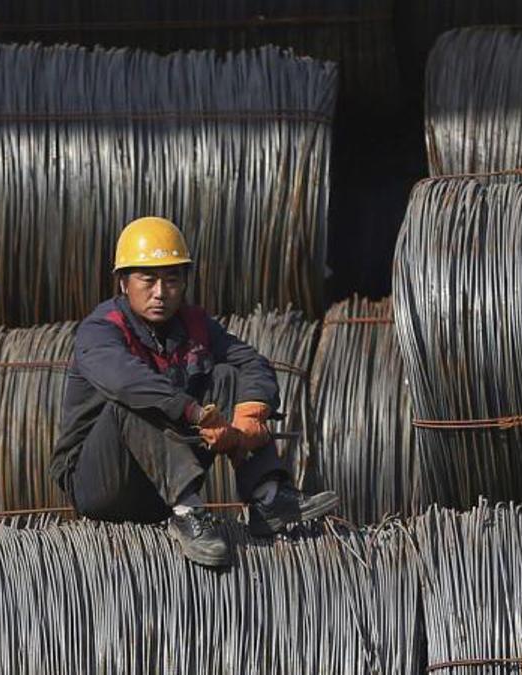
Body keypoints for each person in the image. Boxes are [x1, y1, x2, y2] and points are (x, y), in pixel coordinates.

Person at [49, 216, 338, 567]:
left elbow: (252, 363)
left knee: (228, 377)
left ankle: (267, 496)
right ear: (123, 282)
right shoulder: (101, 330)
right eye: (148, 279)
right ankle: (189, 513)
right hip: (104, 484)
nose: (160, 292)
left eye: (172, 279)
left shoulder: (196, 325)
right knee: (134, 400)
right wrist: (196, 414)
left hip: (162, 484)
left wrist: (252, 412)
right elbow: (126, 381)